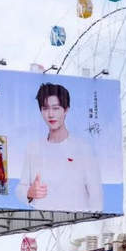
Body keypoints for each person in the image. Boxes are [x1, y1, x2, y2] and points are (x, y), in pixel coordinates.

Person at [15, 83, 103, 212]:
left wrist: (92, 218)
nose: (50, 114)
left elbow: (96, 195)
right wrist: (28, 192)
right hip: (42, 220)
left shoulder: (83, 148)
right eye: (45, 108)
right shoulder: (33, 148)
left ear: (66, 109)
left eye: (56, 108)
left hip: (77, 220)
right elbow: (20, 188)